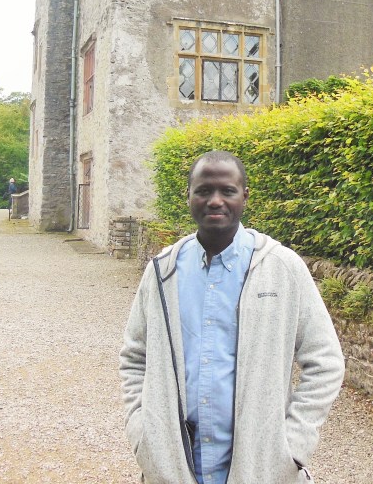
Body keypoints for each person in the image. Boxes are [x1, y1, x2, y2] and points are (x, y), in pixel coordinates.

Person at [120, 150, 345, 484]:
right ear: (188, 196)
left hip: (261, 471)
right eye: (203, 190)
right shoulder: (162, 271)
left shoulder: (282, 268)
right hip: (175, 469)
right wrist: (142, 433)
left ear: (245, 196)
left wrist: (293, 446)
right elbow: (134, 356)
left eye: (227, 191)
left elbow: (326, 361)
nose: (215, 201)